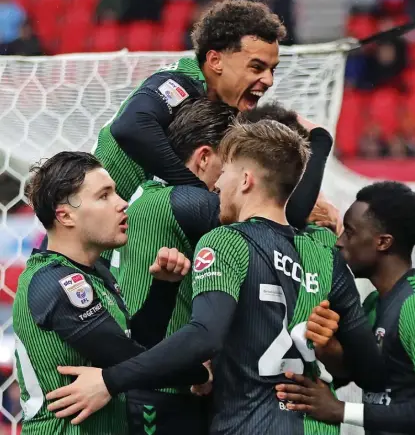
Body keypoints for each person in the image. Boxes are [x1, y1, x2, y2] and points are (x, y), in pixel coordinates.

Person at [46, 121, 385, 434]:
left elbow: (204, 335)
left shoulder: (226, 241)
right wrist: (329, 359)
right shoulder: (325, 252)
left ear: (245, 180)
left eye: (225, 172)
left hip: (247, 424)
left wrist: (109, 381)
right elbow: (369, 371)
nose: (217, 184)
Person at [110, 98, 333, 434]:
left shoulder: (156, 197)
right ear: (204, 158)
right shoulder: (184, 202)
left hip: (175, 384)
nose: (222, 182)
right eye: (229, 162)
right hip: (161, 394)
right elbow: (283, 214)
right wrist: (319, 144)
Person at [13, 152, 209, 434]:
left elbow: (136, 343)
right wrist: (201, 372)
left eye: (116, 192)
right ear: (65, 215)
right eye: (104, 196)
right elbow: (128, 358)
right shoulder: (57, 282)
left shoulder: (94, 273)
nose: (122, 203)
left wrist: (164, 287)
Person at [93, 0, 286, 204]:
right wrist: (194, 188)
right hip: (95, 217)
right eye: (256, 67)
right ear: (215, 61)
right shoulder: (182, 82)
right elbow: (130, 126)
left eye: (272, 69)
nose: (269, 80)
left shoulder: (223, 102)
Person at [275, 181, 415, 435]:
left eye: (350, 232)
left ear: (383, 242)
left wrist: (341, 410)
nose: (339, 242)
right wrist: (328, 348)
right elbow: (368, 379)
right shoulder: (372, 304)